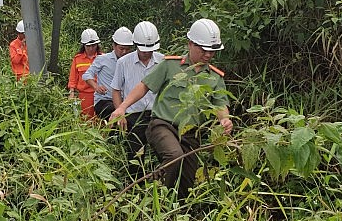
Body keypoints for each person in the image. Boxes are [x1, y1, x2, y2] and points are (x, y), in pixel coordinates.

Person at [111, 19, 233, 199]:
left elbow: (220, 104)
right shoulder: (169, 65)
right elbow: (144, 86)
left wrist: (224, 119)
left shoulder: (215, 77)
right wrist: (122, 107)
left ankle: (176, 215)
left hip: (191, 133)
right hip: (163, 125)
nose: (208, 55)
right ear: (190, 44)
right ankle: (153, 194)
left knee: (187, 180)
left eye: (212, 51)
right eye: (203, 49)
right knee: (175, 155)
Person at [110, 21, 164, 180]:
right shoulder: (123, 63)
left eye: (150, 49)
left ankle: (161, 185)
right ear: (136, 44)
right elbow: (116, 90)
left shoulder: (163, 61)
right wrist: (120, 112)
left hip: (157, 115)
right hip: (134, 115)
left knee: (161, 154)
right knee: (135, 156)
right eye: (143, 49)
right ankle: (136, 186)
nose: (147, 53)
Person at [82, 27, 133, 120]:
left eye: (127, 49)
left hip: (124, 101)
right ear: (114, 46)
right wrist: (96, 87)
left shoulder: (132, 61)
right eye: (121, 48)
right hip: (104, 101)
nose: (124, 52)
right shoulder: (102, 59)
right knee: (114, 113)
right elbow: (87, 75)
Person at [68, 28, 102, 119]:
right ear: (84, 45)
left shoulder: (103, 58)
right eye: (88, 46)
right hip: (84, 96)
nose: (91, 48)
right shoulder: (77, 59)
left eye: (93, 45)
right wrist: (71, 92)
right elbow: (73, 78)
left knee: (101, 121)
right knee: (85, 120)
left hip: (100, 95)